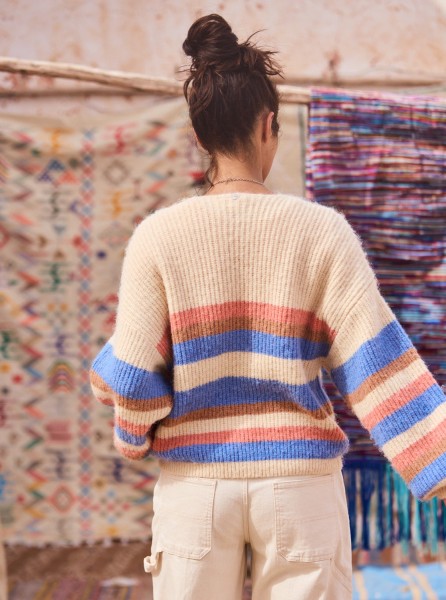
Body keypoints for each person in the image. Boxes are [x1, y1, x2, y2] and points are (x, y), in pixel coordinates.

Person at [89, 13, 446, 600]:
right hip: (300, 487)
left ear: (199, 135)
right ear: (269, 126)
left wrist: (132, 433)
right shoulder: (322, 233)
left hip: (196, 487)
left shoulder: (158, 236)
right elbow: (375, 359)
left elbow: (133, 378)